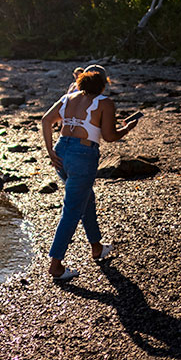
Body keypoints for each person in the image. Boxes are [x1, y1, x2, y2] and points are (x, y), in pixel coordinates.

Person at [41, 65, 139, 281]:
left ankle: (96, 247)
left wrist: (50, 150)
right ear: (103, 83)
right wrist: (128, 128)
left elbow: (46, 120)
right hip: (82, 155)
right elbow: (110, 136)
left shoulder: (68, 97)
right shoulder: (105, 103)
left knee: (87, 199)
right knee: (72, 210)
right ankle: (56, 267)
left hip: (61, 152)